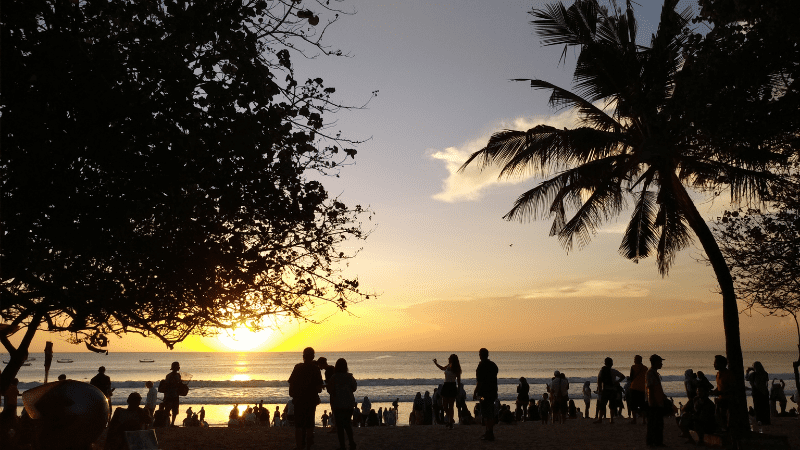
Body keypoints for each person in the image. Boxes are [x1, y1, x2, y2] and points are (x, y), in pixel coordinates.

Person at [288, 347, 323, 450]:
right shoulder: (315, 369)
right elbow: (319, 387)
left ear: (303, 356)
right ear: (313, 357)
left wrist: (293, 394)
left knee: (299, 424)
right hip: (311, 400)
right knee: (309, 423)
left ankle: (299, 446)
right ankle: (308, 446)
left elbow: (291, 383)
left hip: (299, 400)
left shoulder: (298, 367)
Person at [433, 353, 462, 429]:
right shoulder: (448, 365)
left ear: (453, 359)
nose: (448, 358)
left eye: (450, 358)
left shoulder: (456, 368)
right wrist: (436, 363)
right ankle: (451, 419)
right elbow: (442, 368)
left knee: (451, 406)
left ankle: (450, 422)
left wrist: (459, 390)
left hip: (452, 386)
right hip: (446, 385)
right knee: (444, 406)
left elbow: (458, 380)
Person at [475, 348, 498, 441]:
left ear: (481, 355)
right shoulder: (493, 365)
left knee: (485, 413)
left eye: (479, 354)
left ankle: (489, 432)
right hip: (492, 392)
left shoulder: (481, 366)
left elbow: (479, 381)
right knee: (490, 412)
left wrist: (475, 391)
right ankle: (489, 431)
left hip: (484, 393)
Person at [594, 357, 624, 424]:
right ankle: (611, 419)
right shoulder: (614, 371)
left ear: (605, 363)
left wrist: (600, 389)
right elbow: (623, 376)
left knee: (602, 404)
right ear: (612, 364)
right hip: (613, 390)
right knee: (612, 405)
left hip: (605, 389)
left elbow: (599, 380)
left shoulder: (602, 371)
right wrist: (617, 381)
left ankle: (600, 419)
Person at [645, 354, 666, 448]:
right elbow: (650, 387)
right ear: (655, 362)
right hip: (654, 403)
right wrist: (652, 401)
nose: (661, 364)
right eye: (660, 362)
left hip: (657, 401)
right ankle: (653, 442)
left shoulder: (654, 373)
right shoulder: (650, 373)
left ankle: (656, 441)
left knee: (657, 423)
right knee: (655, 423)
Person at [711, 355, 734, 430]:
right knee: (718, 416)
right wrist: (714, 391)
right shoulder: (718, 374)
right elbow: (720, 386)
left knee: (724, 417)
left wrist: (721, 393)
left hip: (728, 400)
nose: (714, 365)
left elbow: (732, 388)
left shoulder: (728, 374)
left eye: (715, 363)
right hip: (721, 399)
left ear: (721, 364)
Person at [745, 361, 770, 425]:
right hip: (764, 392)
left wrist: (747, 372)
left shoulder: (753, 374)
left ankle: (759, 420)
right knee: (765, 406)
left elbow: (747, 378)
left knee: (758, 406)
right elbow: (766, 381)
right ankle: (766, 420)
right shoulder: (765, 373)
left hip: (756, 392)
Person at [162, 361, 183, 426]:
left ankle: (169, 423)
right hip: (173, 395)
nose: (179, 368)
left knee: (170, 410)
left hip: (170, 395)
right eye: (178, 366)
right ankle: (171, 423)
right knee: (173, 410)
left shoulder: (169, 376)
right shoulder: (176, 376)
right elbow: (177, 385)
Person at [629, 355, 648, 425]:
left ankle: (634, 420)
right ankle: (643, 420)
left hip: (634, 387)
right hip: (643, 388)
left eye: (635, 359)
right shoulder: (645, 368)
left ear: (636, 360)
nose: (634, 360)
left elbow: (631, 377)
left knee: (633, 405)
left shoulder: (633, 367)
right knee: (642, 405)